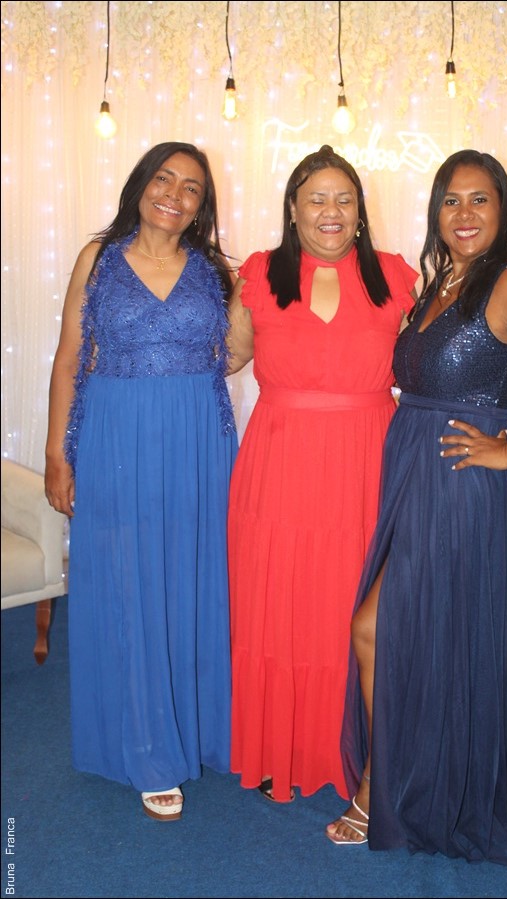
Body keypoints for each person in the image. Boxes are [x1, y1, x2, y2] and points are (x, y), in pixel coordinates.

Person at [326, 149, 507, 866]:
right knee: (422, 637)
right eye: (452, 199)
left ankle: (380, 787)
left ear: (502, 209)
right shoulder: (440, 283)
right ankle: (414, 779)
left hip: (462, 482)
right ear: (436, 211)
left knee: (375, 628)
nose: (465, 213)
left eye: (481, 199)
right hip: (418, 476)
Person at [44, 142, 238, 821]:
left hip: (197, 439)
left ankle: (203, 730)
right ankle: (149, 747)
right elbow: (70, 358)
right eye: (164, 179)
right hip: (116, 436)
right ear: (141, 185)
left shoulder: (215, 271)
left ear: (201, 206)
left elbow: (237, 351)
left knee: (192, 580)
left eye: (191, 188)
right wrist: (57, 454)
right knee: (128, 581)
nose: (174, 195)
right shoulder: (98, 259)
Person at [225, 145, 418, 803]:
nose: (330, 211)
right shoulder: (259, 273)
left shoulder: (396, 277)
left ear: (360, 211)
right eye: (316, 198)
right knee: (276, 611)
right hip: (278, 467)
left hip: (367, 466)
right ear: (292, 209)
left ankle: (358, 753)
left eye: (344, 199)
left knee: (351, 611)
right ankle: (279, 748)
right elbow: (223, 356)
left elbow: (429, 366)